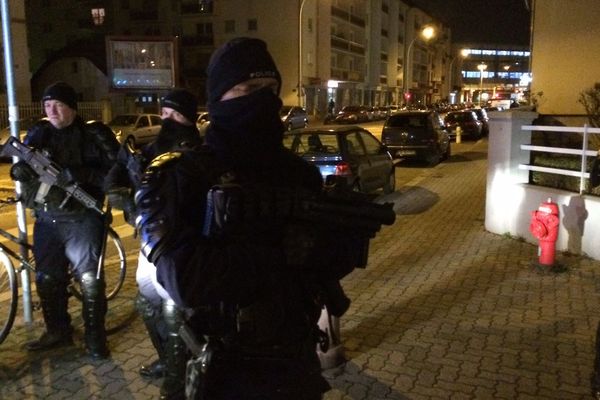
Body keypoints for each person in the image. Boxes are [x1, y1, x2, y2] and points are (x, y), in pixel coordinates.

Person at [133, 37, 370, 399]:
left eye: (270, 88)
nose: (262, 99)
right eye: (247, 88)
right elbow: (185, 281)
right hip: (224, 372)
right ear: (218, 98)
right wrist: (280, 252)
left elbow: (328, 267)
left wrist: (340, 240)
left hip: (296, 365)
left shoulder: (299, 174)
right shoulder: (183, 176)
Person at [9, 81, 119, 359]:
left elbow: (117, 174)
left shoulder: (93, 134)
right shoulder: (39, 133)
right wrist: (20, 170)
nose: (52, 111)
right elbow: (22, 161)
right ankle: (58, 331)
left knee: (90, 282)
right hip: (48, 219)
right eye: (47, 105)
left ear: (72, 107)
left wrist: (81, 174)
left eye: (58, 105)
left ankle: (95, 338)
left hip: (83, 219)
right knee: (47, 279)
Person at [104, 88, 202, 399]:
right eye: (164, 114)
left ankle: (177, 380)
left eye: (175, 115)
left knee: (176, 314)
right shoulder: (149, 149)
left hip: (180, 245)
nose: (167, 120)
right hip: (150, 244)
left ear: (188, 119)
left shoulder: (196, 153)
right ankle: (167, 361)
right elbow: (116, 176)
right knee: (147, 305)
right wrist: (122, 192)